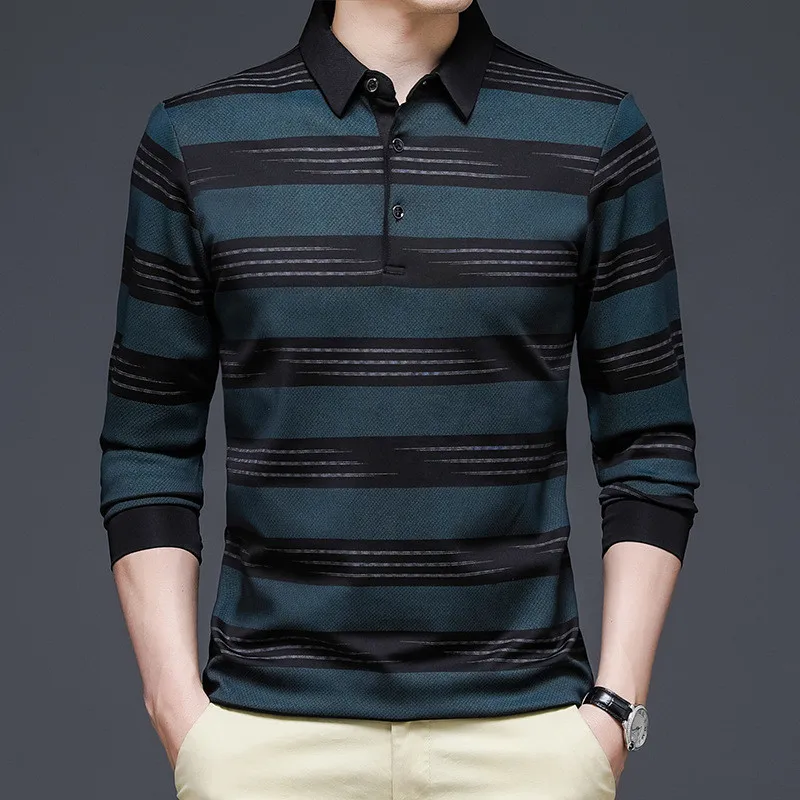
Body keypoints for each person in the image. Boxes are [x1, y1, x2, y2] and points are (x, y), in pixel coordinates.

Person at [98, 1, 700, 797]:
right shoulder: (196, 138)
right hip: (265, 742)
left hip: (525, 742)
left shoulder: (595, 132)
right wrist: (178, 712)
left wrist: (613, 713)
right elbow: (148, 447)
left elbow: (649, 446)